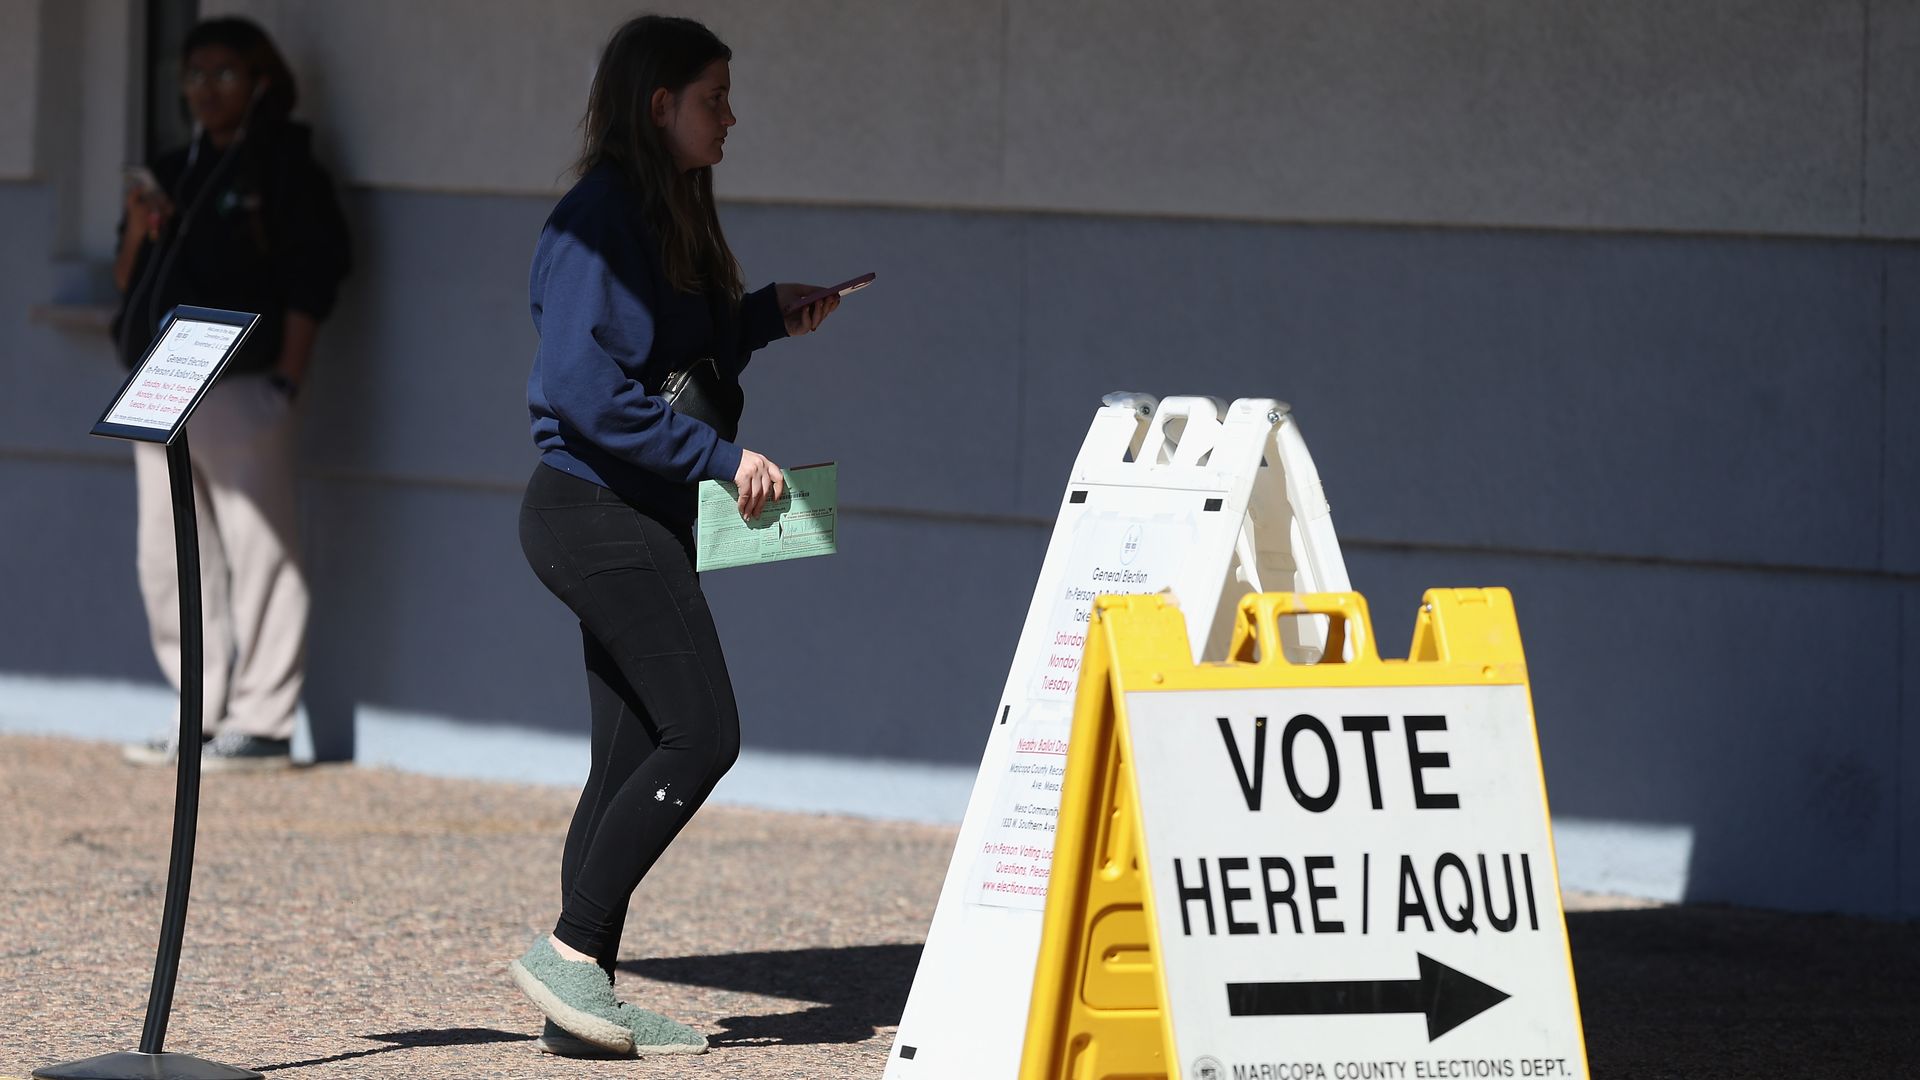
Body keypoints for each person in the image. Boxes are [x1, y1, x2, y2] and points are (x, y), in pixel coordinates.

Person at [508, 15, 843, 1059]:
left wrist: (757, 318)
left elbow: (661, 352)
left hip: (632, 515)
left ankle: (581, 1001)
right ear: (659, 105)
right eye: (714, 99)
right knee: (703, 734)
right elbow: (584, 390)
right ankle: (570, 953)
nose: (731, 117)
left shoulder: (663, 212)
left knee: (624, 759)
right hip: (592, 515)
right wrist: (717, 462)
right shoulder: (599, 218)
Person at [114, 17, 351, 771]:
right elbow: (130, 279)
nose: (203, 91)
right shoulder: (172, 168)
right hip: (162, 380)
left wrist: (288, 376)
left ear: (259, 83)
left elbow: (315, 276)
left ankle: (264, 720)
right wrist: (140, 226)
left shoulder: (282, 167)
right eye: (192, 75)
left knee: (261, 550)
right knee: (168, 554)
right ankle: (199, 714)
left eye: (222, 75)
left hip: (245, 382)